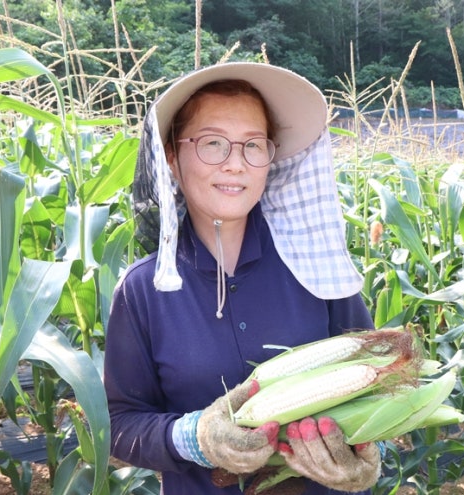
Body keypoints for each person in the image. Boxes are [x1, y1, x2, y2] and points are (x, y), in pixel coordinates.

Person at [103, 62, 381, 494]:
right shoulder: (143, 290)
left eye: (253, 145)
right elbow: (121, 425)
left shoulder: (317, 267)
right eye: (213, 143)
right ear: (172, 159)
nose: (236, 164)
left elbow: (377, 376)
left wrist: (364, 461)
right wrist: (196, 438)